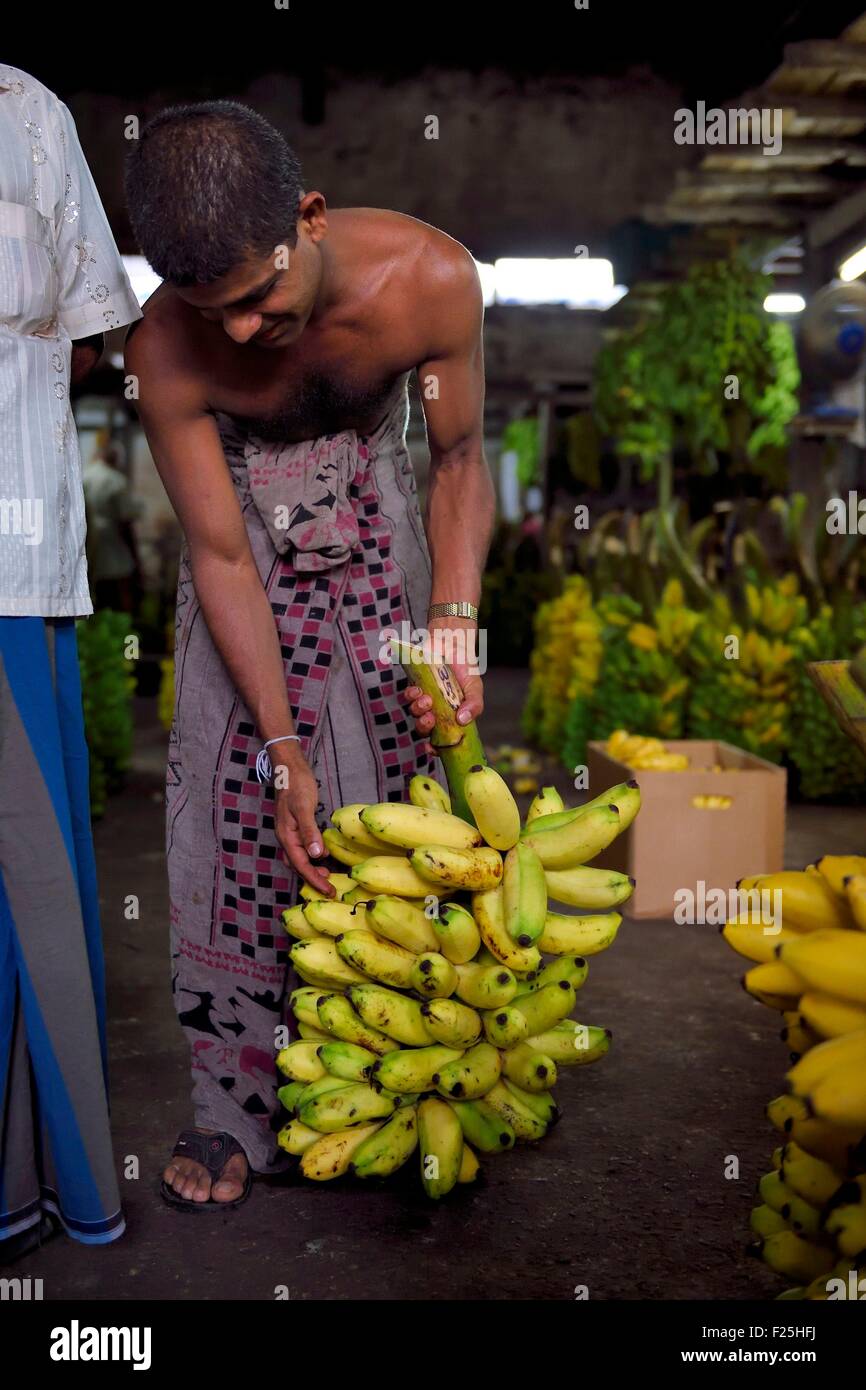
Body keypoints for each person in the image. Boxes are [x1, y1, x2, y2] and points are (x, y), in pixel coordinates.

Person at [124, 100, 495, 1210]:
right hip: (242, 559)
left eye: (256, 297)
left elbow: (459, 458)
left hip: (381, 531)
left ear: (310, 217)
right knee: (230, 830)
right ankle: (231, 1111)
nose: (236, 332)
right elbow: (219, 554)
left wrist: (454, 620)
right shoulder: (162, 348)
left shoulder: (428, 281)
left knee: (401, 810)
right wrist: (280, 742)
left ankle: (408, 1083)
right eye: (209, 310)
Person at [0, 64, 141, 1257]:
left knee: (31, 882)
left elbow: (91, 333)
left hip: (12, 564)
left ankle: (39, 1177)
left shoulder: (29, 115)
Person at [82, 439, 143, 611]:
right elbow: (125, 520)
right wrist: (135, 557)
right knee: (118, 592)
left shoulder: (85, 476)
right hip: (113, 543)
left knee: (94, 589)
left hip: (89, 540)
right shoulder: (116, 480)